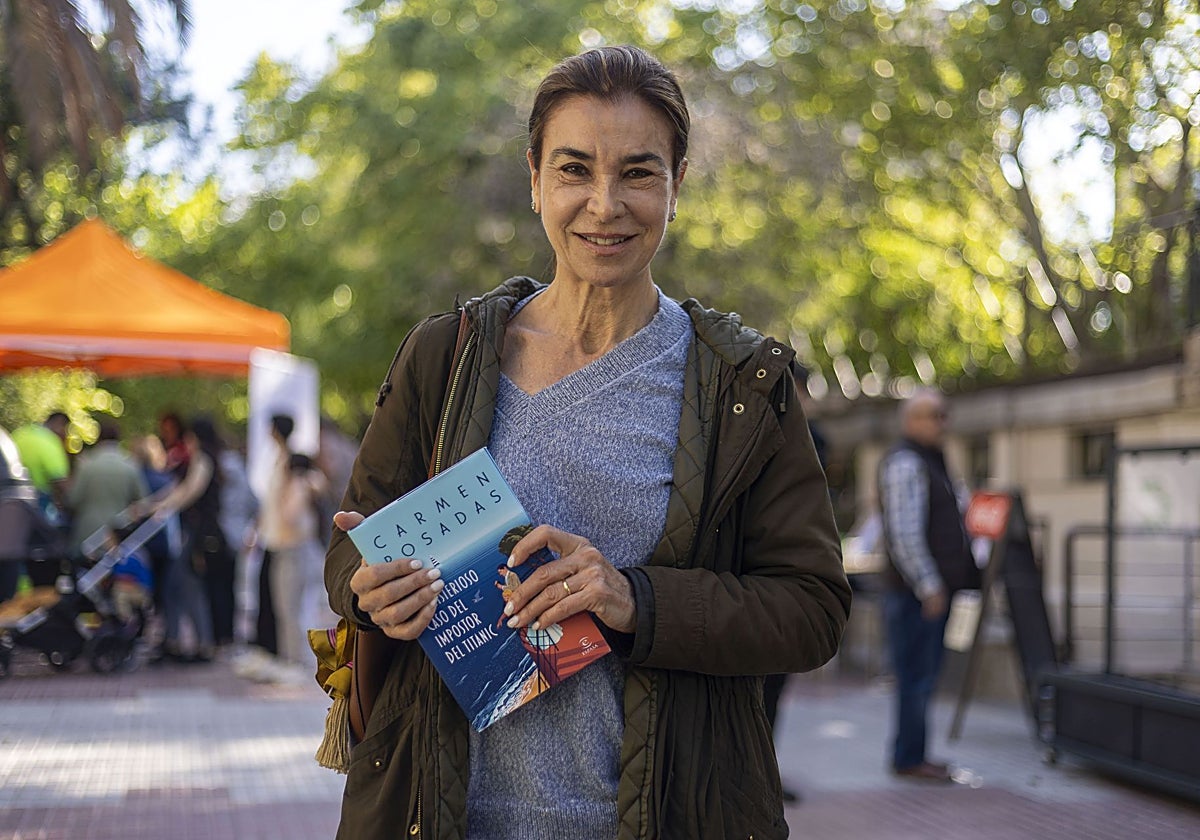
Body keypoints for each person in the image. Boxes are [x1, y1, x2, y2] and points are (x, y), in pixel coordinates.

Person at [324, 46, 851, 840]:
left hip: (663, 816)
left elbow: (812, 610)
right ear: (536, 178)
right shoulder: (445, 356)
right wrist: (370, 595)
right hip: (438, 815)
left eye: (638, 173)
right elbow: (350, 553)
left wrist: (634, 598)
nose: (604, 205)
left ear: (677, 186)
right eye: (575, 170)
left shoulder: (740, 387)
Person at [877, 387, 981, 781]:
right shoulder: (905, 462)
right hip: (916, 596)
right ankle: (909, 758)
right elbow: (904, 534)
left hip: (930, 593)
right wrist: (929, 585)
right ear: (912, 421)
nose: (943, 423)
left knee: (925, 674)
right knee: (915, 676)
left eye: (944, 414)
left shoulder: (931, 460)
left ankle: (915, 753)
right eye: (934, 415)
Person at [64, 418, 148, 555]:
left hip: (87, 533)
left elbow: (73, 500)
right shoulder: (131, 466)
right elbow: (142, 503)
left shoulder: (86, 464)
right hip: (117, 534)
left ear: (98, 438)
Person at [12, 411, 71, 523]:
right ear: (60, 424)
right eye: (66, 429)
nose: (65, 435)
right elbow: (60, 481)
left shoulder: (20, 434)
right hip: (38, 502)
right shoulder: (50, 442)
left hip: (9, 498)